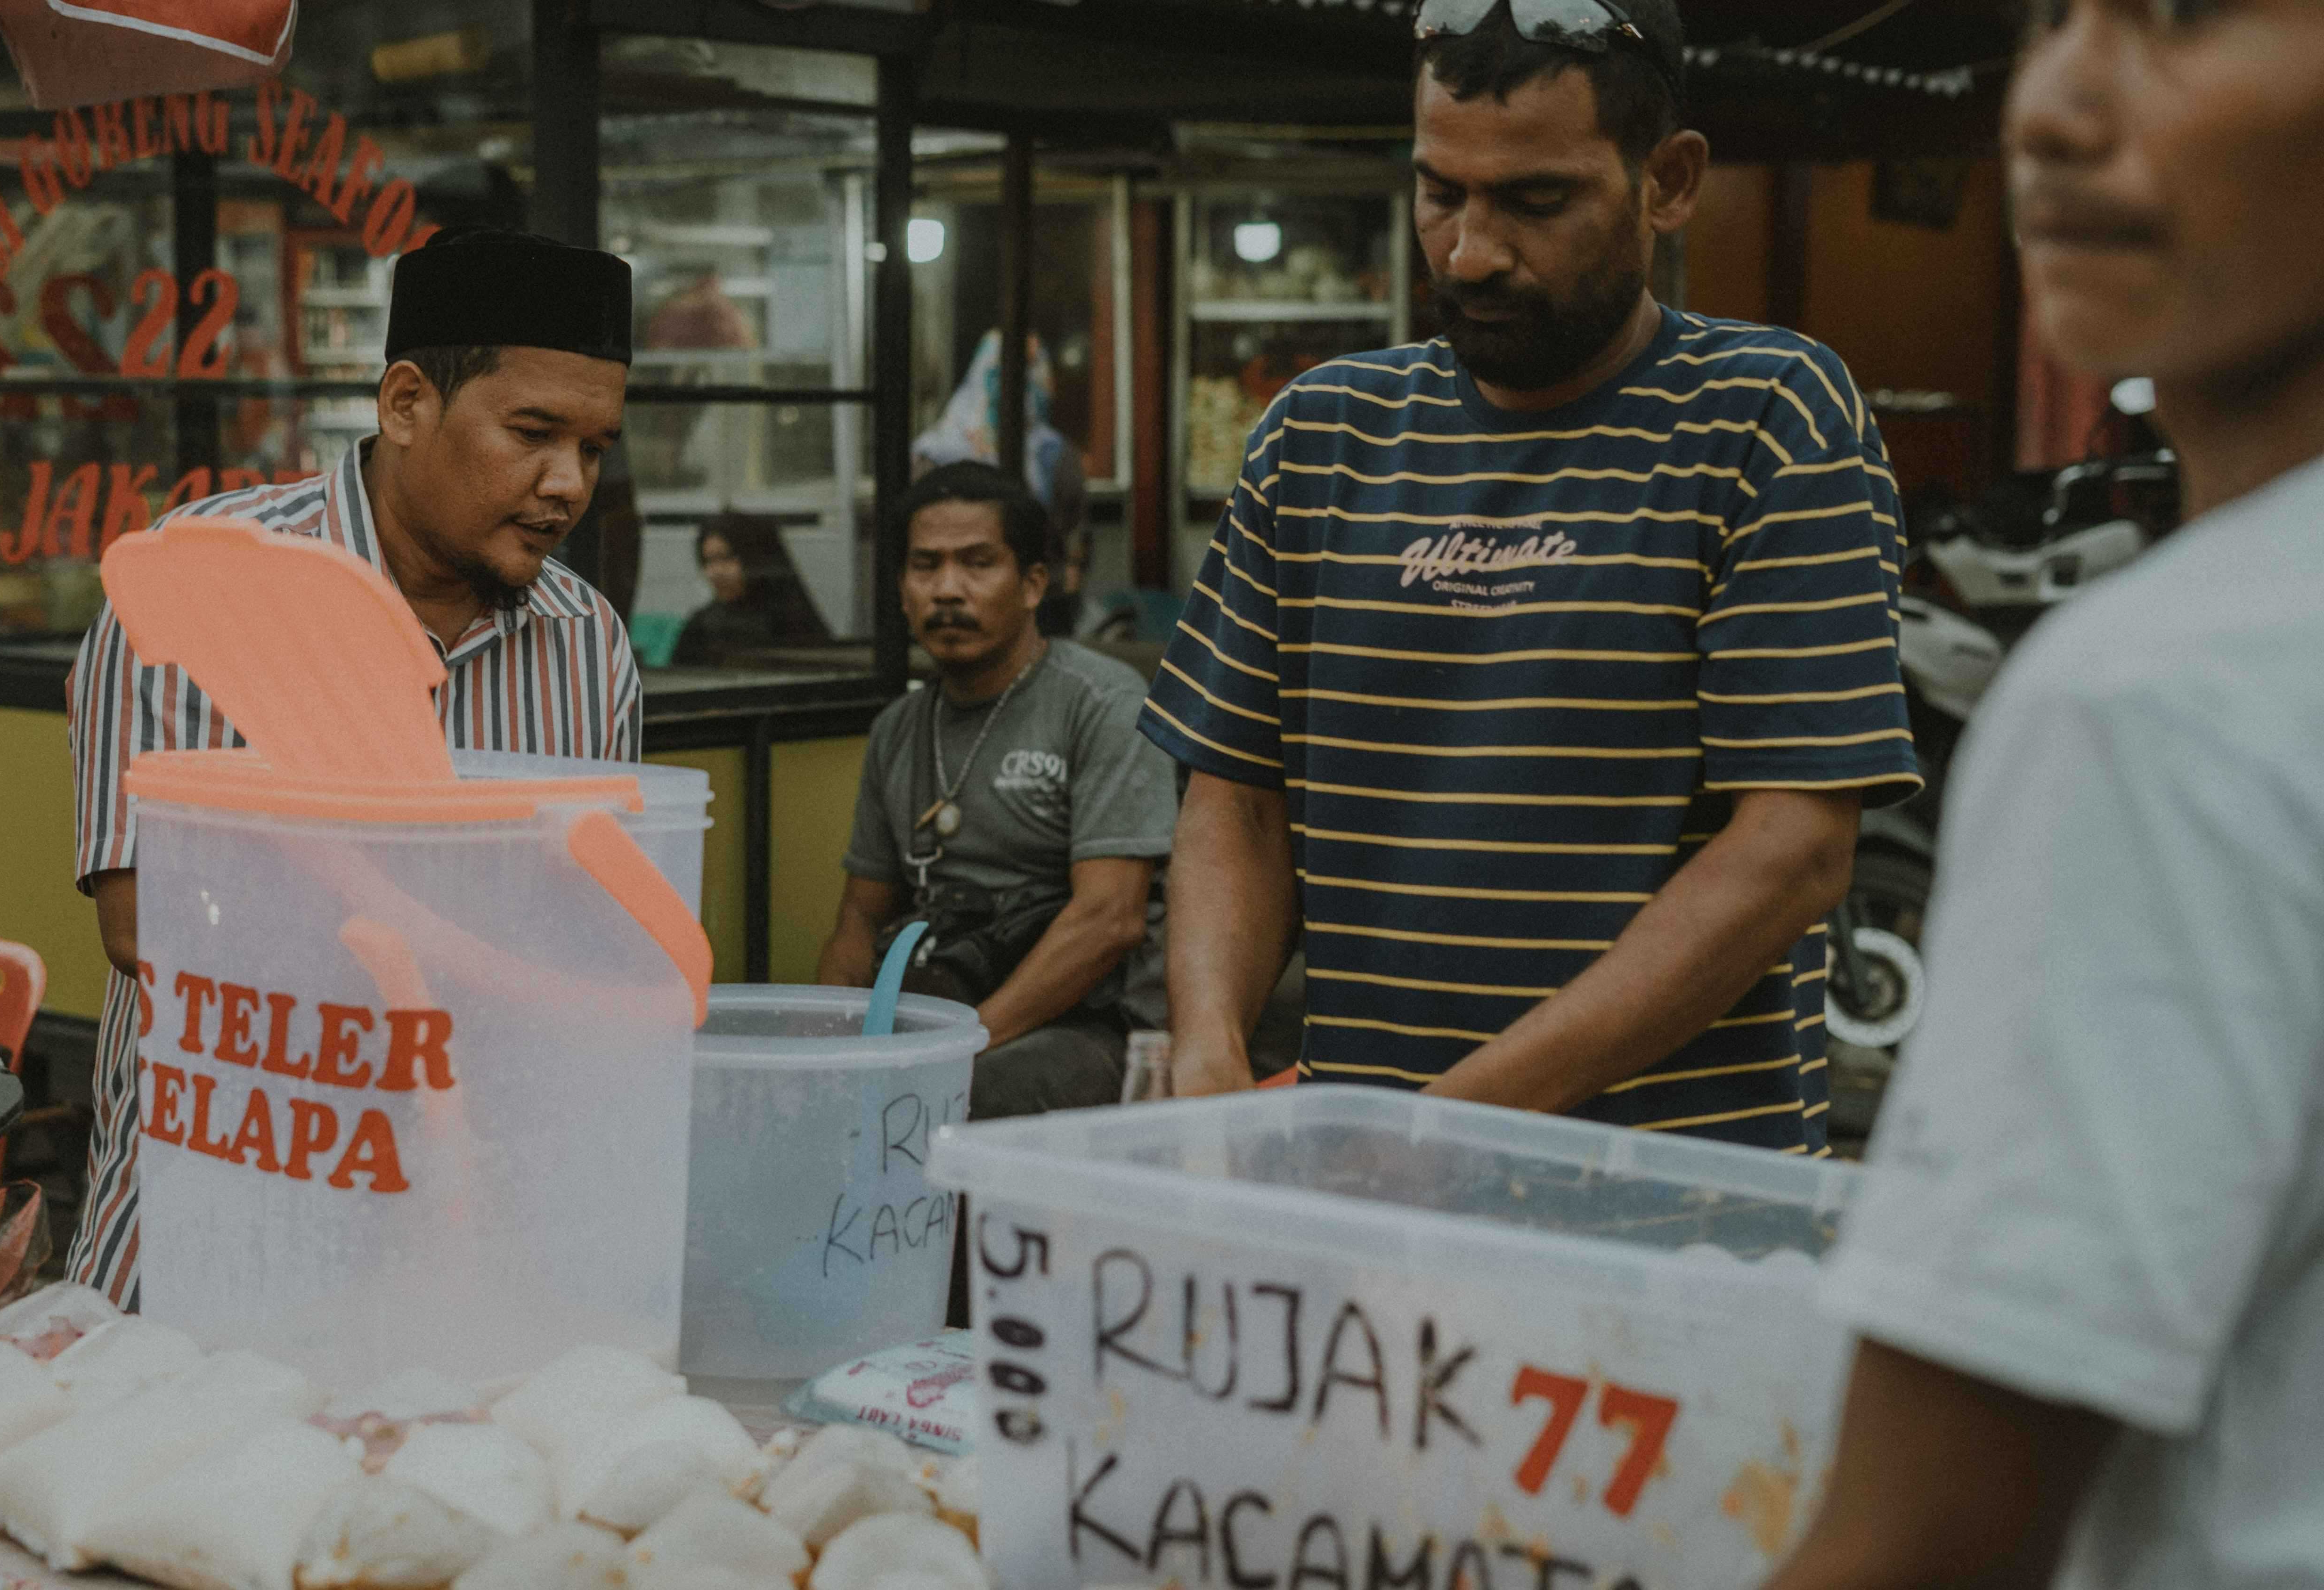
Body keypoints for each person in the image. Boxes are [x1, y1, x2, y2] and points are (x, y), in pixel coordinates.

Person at [1144, 0, 1918, 1150]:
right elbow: (1241, 802)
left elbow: (1792, 849)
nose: (1469, 252)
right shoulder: (1319, 434)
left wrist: (1451, 1127)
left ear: (1670, 179)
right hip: (1365, 1187)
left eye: (1536, 201)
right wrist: (1207, 1047)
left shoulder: (1768, 415)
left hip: (1669, 1202)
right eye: (1439, 191)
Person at [1768, 4, 2324, 1585]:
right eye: (2052, 18)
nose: (2056, 107)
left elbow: (1924, 1541)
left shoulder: (2173, 696)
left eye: (2186, 16)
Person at [66, 228, 643, 1306]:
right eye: (532, 432)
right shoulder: (203, 589)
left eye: (596, 447)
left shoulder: (587, 641)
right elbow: (151, 924)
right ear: (407, 404)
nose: (567, 485)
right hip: (229, 1205)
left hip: (477, 1228)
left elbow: (590, 931)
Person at [818, 463, 1175, 1118]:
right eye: (925, 566)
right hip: (944, 1005)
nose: (947, 589)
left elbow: (1110, 919)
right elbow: (858, 922)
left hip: (1093, 1023)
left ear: (1034, 582)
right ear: (901, 589)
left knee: (951, 1101)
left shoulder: (1100, 703)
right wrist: (825, 1051)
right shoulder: (899, 729)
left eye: (978, 563)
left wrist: (962, 1043)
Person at [914, 331, 1088, 554]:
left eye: (1029, 373)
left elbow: (1074, 530)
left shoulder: (1054, 452)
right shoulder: (935, 452)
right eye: (997, 374)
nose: (1010, 387)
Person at [673, 512, 831, 667]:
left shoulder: (791, 622)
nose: (716, 572)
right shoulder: (702, 626)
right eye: (709, 561)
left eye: (726, 558)